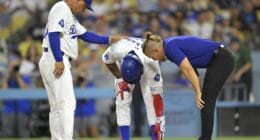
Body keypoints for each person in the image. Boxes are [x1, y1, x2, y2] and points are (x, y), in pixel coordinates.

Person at [38, 0, 124, 139]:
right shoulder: (62, 7)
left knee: (57, 106)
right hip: (55, 57)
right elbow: (53, 34)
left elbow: (86, 35)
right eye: (84, 6)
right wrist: (59, 59)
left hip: (52, 58)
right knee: (67, 104)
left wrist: (110, 39)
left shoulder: (70, 16)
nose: (84, 10)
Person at [142, 32, 234, 140]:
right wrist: (198, 91)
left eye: (152, 57)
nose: (153, 59)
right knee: (205, 100)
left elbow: (188, 70)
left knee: (206, 101)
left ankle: (205, 138)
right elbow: (193, 71)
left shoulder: (169, 47)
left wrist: (198, 93)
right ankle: (205, 138)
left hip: (221, 59)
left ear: (156, 50)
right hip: (220, 58)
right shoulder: (169, 44)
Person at [102, 37, 165, 140]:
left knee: (151, 102)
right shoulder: (117, 49)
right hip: (126, 65)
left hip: (146, 64)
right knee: (122, 99)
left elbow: (158, 99)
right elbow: (106, 58)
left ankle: (155, 137)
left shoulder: (152, 64)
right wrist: (119, 77)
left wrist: (159, 126)